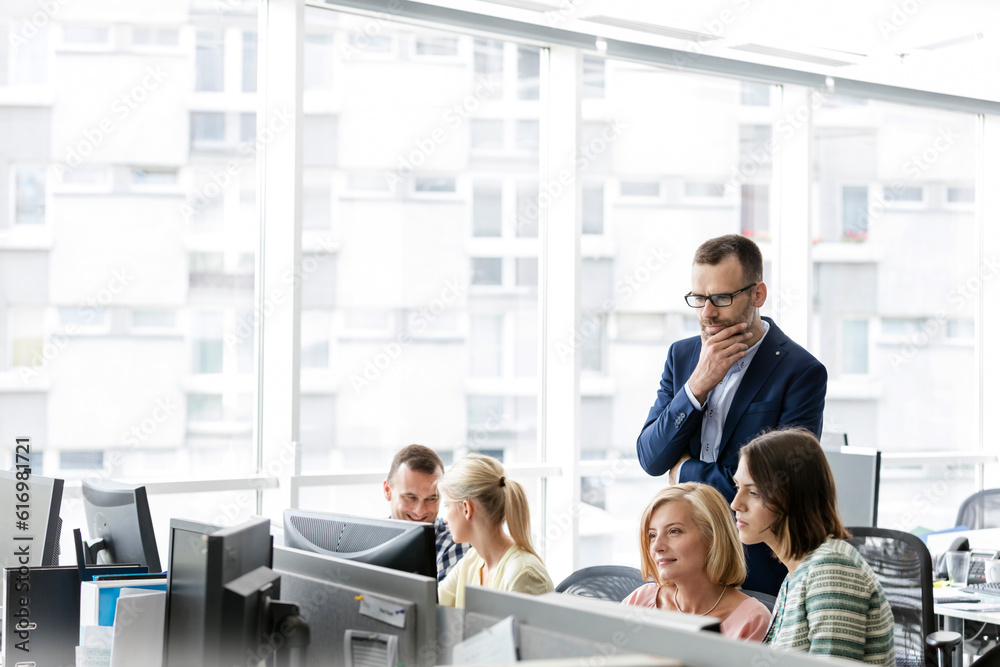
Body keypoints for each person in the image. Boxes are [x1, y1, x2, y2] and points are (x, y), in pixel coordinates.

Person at [636, 233, 827, 595]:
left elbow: (775, 487)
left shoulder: (800, 372)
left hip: (753, 569)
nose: (707, 313)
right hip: (684, 567)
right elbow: (650, 455)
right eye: (698, 299)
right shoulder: (683, 357)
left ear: (758, 295)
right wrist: (697, 386)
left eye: (721, 298)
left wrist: (686, 471)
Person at [731, 428, 895, 665]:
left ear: (793, 497)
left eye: (754, 492)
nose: (736, 504)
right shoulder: (797, 574)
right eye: (738, 487)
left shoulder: (831, 570)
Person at [622, 483, 771, 641]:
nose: (657, 546)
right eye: (652, 535)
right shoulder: (640, 600)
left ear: (712, 538)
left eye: (674, 531)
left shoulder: (752, 620)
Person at [437, 453, 553, 608]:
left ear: (466, 508)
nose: (445, 519)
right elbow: (432, 603)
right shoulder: (472, 560)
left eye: (447, 506)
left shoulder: (523, 575)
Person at [384, 444, 467, 581]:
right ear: (388, 490)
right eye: (410, 497)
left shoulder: (454, 542)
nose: (420, 511)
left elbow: (435, 601)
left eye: (431, 498)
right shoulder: (369, 536)